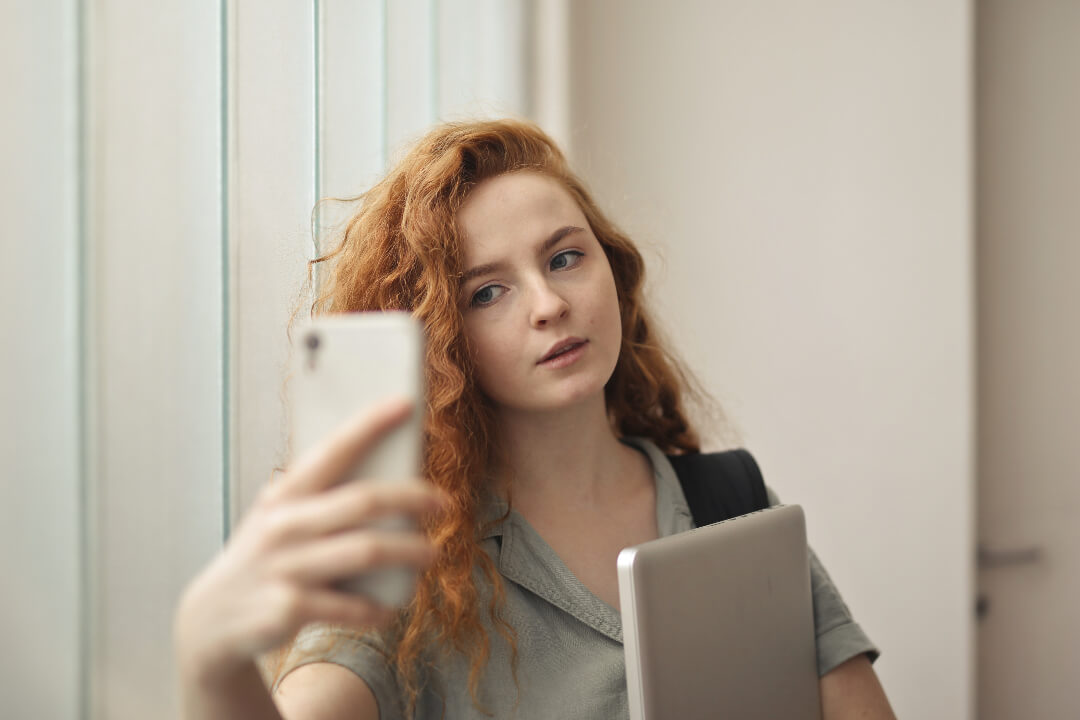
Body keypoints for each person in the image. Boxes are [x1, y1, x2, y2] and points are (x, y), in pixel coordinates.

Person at [174, 118, 896, 719]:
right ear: (439, 341)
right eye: (488, 292)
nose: (548, 304)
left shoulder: (731, 507)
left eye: (565, 257)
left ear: (611, 270)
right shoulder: (413, 569)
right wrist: (211, 661)